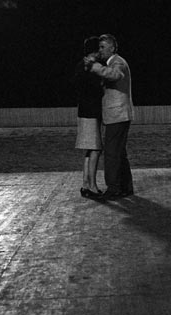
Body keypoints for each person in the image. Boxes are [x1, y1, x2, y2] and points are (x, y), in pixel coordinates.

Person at [85, 34, 134, 201]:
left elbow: (115, 75)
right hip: (120, 114)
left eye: (102, 47)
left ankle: (113, 189)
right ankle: (126, 187)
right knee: (120, 154)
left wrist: (94, 66)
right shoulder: (114, 62)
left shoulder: (117, 62)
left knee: (112, 154)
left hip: (117, 115)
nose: (100, 51)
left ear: (112, 48)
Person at [73, 36, 104, 198]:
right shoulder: (90, 67)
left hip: (84, 111)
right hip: (91, 112)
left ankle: (86, 184)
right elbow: (95, 90)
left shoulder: (81, 65)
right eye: (98, 48)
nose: (101, 51)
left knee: (90, 148)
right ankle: (92, 186)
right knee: (96, 149)